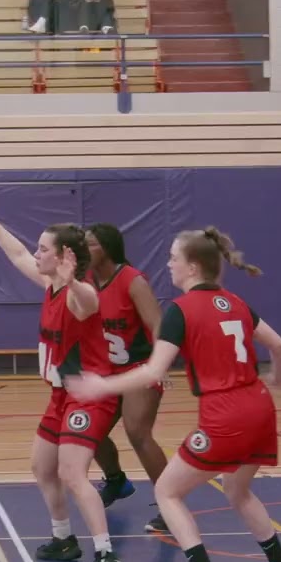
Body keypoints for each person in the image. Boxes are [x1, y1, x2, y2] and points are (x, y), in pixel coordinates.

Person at [65, 227, 281, 562]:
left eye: (174, 257)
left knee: (167, 491)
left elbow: (154, 372)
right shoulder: (236, 302)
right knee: (237, 489)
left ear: (192, 267)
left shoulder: (180, 310)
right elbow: (279, 344)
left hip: (225, 412)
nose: (169, 263)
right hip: (260, 404)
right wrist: (280, 374)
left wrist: (101, 387)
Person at [0, 186, 124, 562]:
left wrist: (72, 281)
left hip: (89, 396)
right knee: (43, 467)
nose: (35, 253)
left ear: (63, 257)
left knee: (73, 473)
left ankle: (106, 554)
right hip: (61, 396)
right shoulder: (50, 285)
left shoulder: (83, 292)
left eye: (43, 249)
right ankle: (63, 540)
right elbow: (18, 255)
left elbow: (85, 304)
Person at [84, 224, 170, 533]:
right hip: (106, 372)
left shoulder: (132, 281)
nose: (84, 250)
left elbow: (158, 324)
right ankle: (116, 480)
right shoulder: (87, 282)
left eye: (90, 244)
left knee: (137, 432)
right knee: (86, 433)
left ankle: (170, 504)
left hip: (139, 367)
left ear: (105, 248)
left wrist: (159, 366)